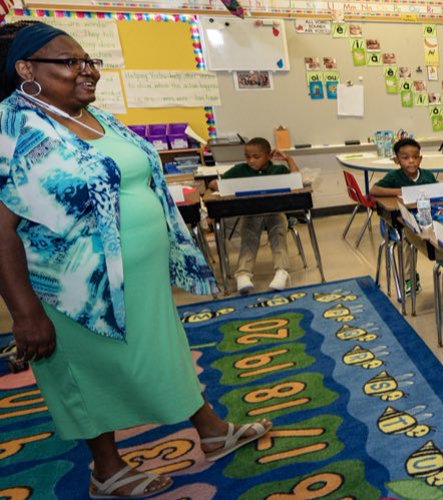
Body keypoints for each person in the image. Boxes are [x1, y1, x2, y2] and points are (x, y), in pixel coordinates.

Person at [0, 21, 270, 498]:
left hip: (137, 278)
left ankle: (210, 429)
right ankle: (107, 470)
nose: (88, 72)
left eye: (90, 62)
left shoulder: (93, 117)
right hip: (72, 288)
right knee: (87, 374)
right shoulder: (12, 127)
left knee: (163, 353)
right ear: (26, 69)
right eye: (70, 63)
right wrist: (24, 312)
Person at [216, 137, 302, 293]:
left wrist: (288, 158)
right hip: (251, 213)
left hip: (275, 211)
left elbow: (297, 181)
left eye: (256, 157)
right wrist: (223, 185)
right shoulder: (240, 170)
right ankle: (243, 274)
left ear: (268, 156)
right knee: (249, 235)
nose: (251, 161)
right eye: (247, 156)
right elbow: (216, 184)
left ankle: (282, 271)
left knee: (278, 231)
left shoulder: (278, 170)